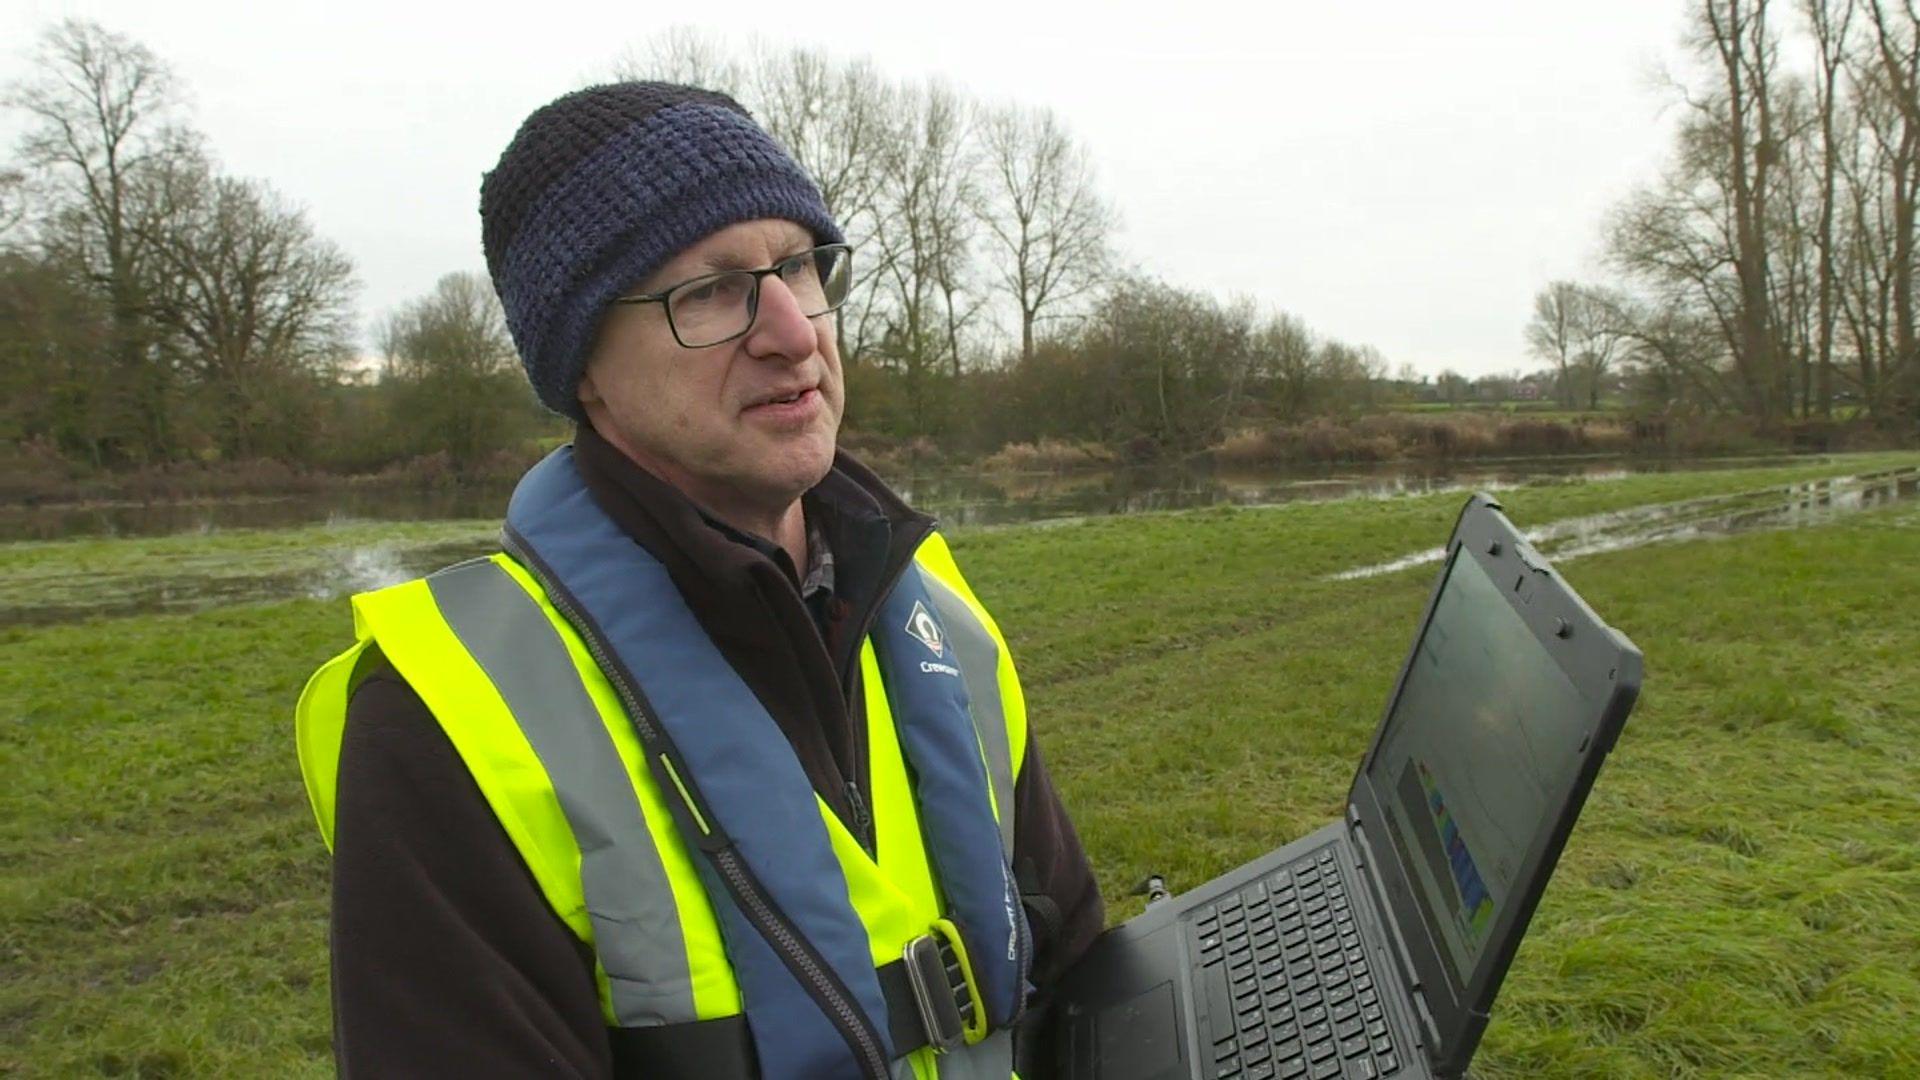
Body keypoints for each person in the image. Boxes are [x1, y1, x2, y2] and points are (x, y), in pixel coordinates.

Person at [293, 81, 1103, 1079]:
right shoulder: (439, 724)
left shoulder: (934, 617)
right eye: (710, 292)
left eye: (798, 267)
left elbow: (1079, 981)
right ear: (584, 365)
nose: (794, 333)